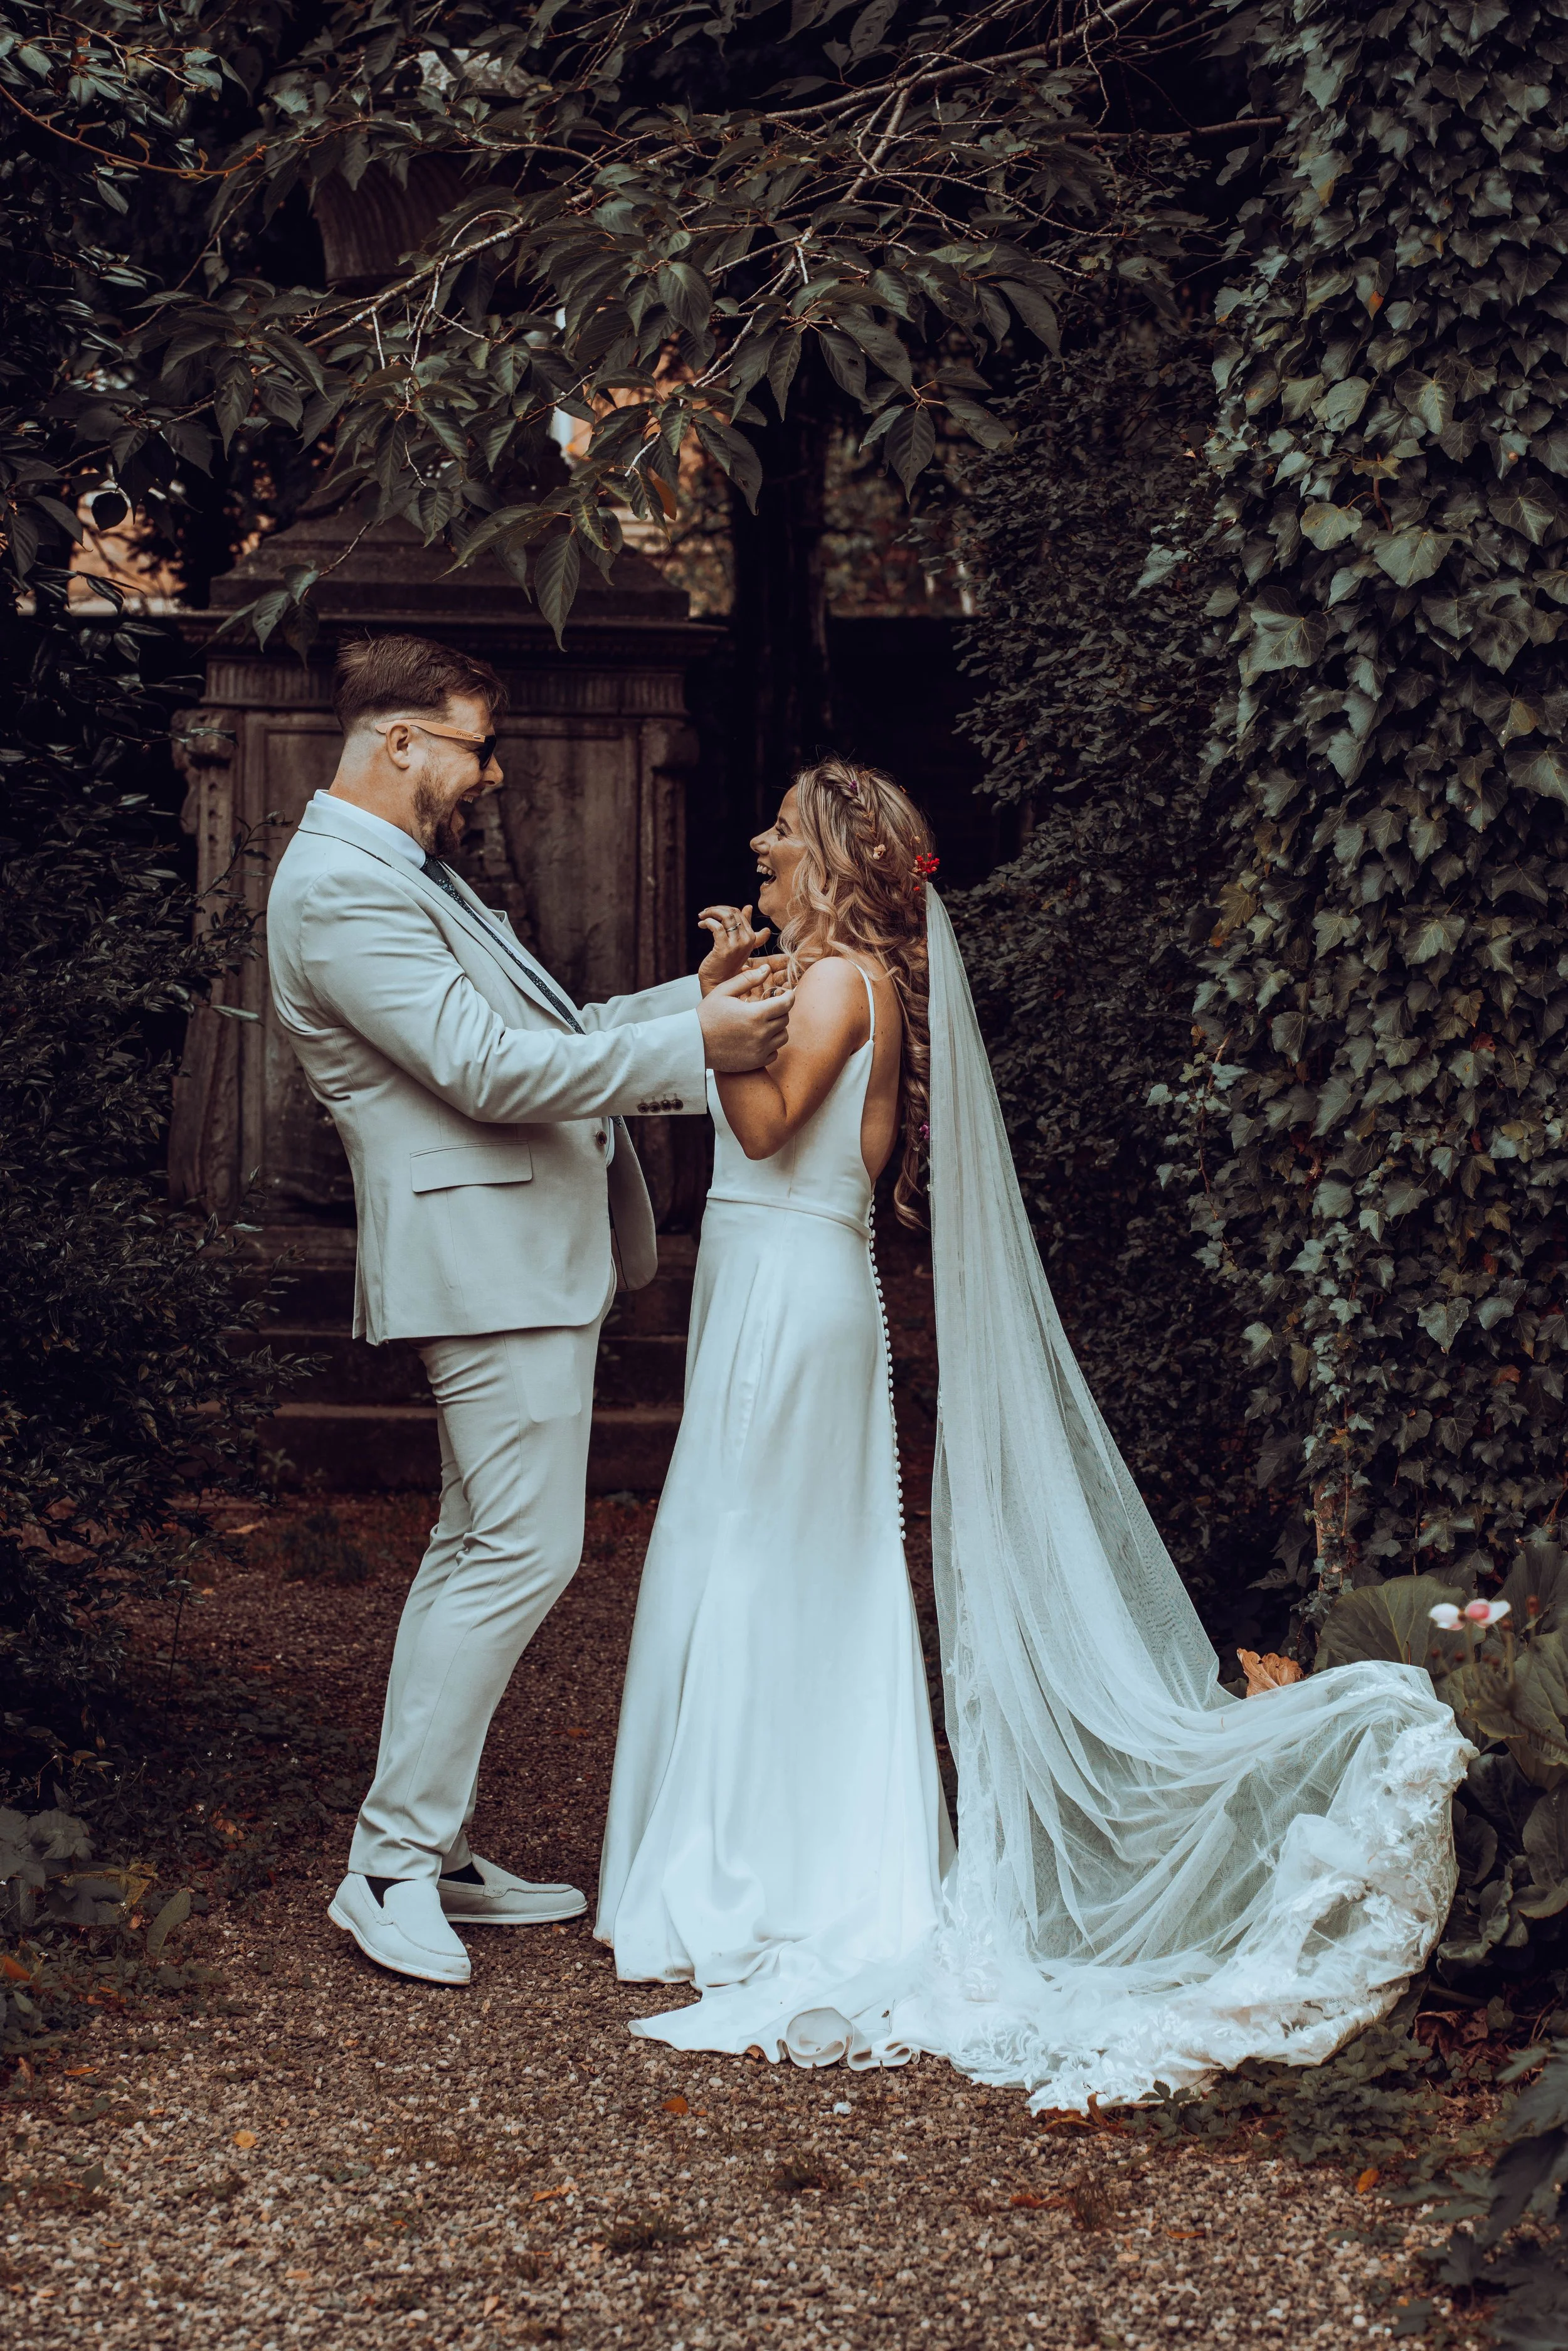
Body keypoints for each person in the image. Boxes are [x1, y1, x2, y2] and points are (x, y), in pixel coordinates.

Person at [597, 756, 1470, 2110]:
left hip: (786, 1288)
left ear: (830, 856)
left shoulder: (834, 985)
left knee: (759, 1557)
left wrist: (712, 1009)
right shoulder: (837, 980)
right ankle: (777, 1840)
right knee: (774, 1555)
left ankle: (755, 1863)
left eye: (779, 829)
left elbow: (764, 1134)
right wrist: (728, 996)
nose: (759, 842)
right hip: (781, 1279)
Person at [266, 633, 792, 1988]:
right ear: (398, 740)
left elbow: (543, 1032)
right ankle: (388, 1868)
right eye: (476, 746)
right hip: (483, 1262)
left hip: (515, 1254)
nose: (491, 775)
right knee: (518, 1552)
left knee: (479, 1548)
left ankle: (428, 1850)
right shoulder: (341, 888)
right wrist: (699, 1050)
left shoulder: (406, 872)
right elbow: (488, 1072)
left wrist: (688, 1004)